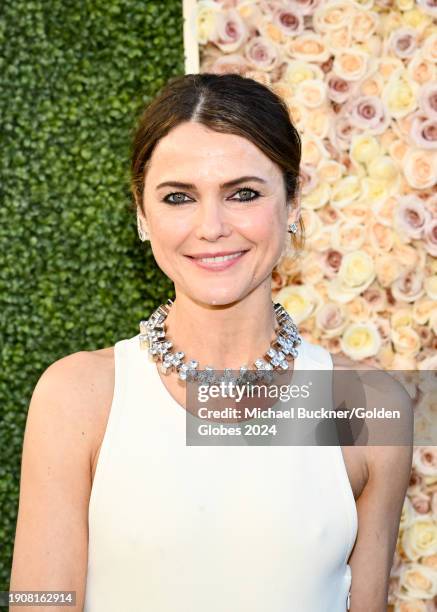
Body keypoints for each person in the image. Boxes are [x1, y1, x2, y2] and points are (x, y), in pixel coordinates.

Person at [10, 73, 413, 612]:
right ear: (141, 213)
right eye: (179, 197)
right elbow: (42, 600)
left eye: (242, 193)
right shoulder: (76, 397)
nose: (211, 226)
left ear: (293, 204)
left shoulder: (372, 408)